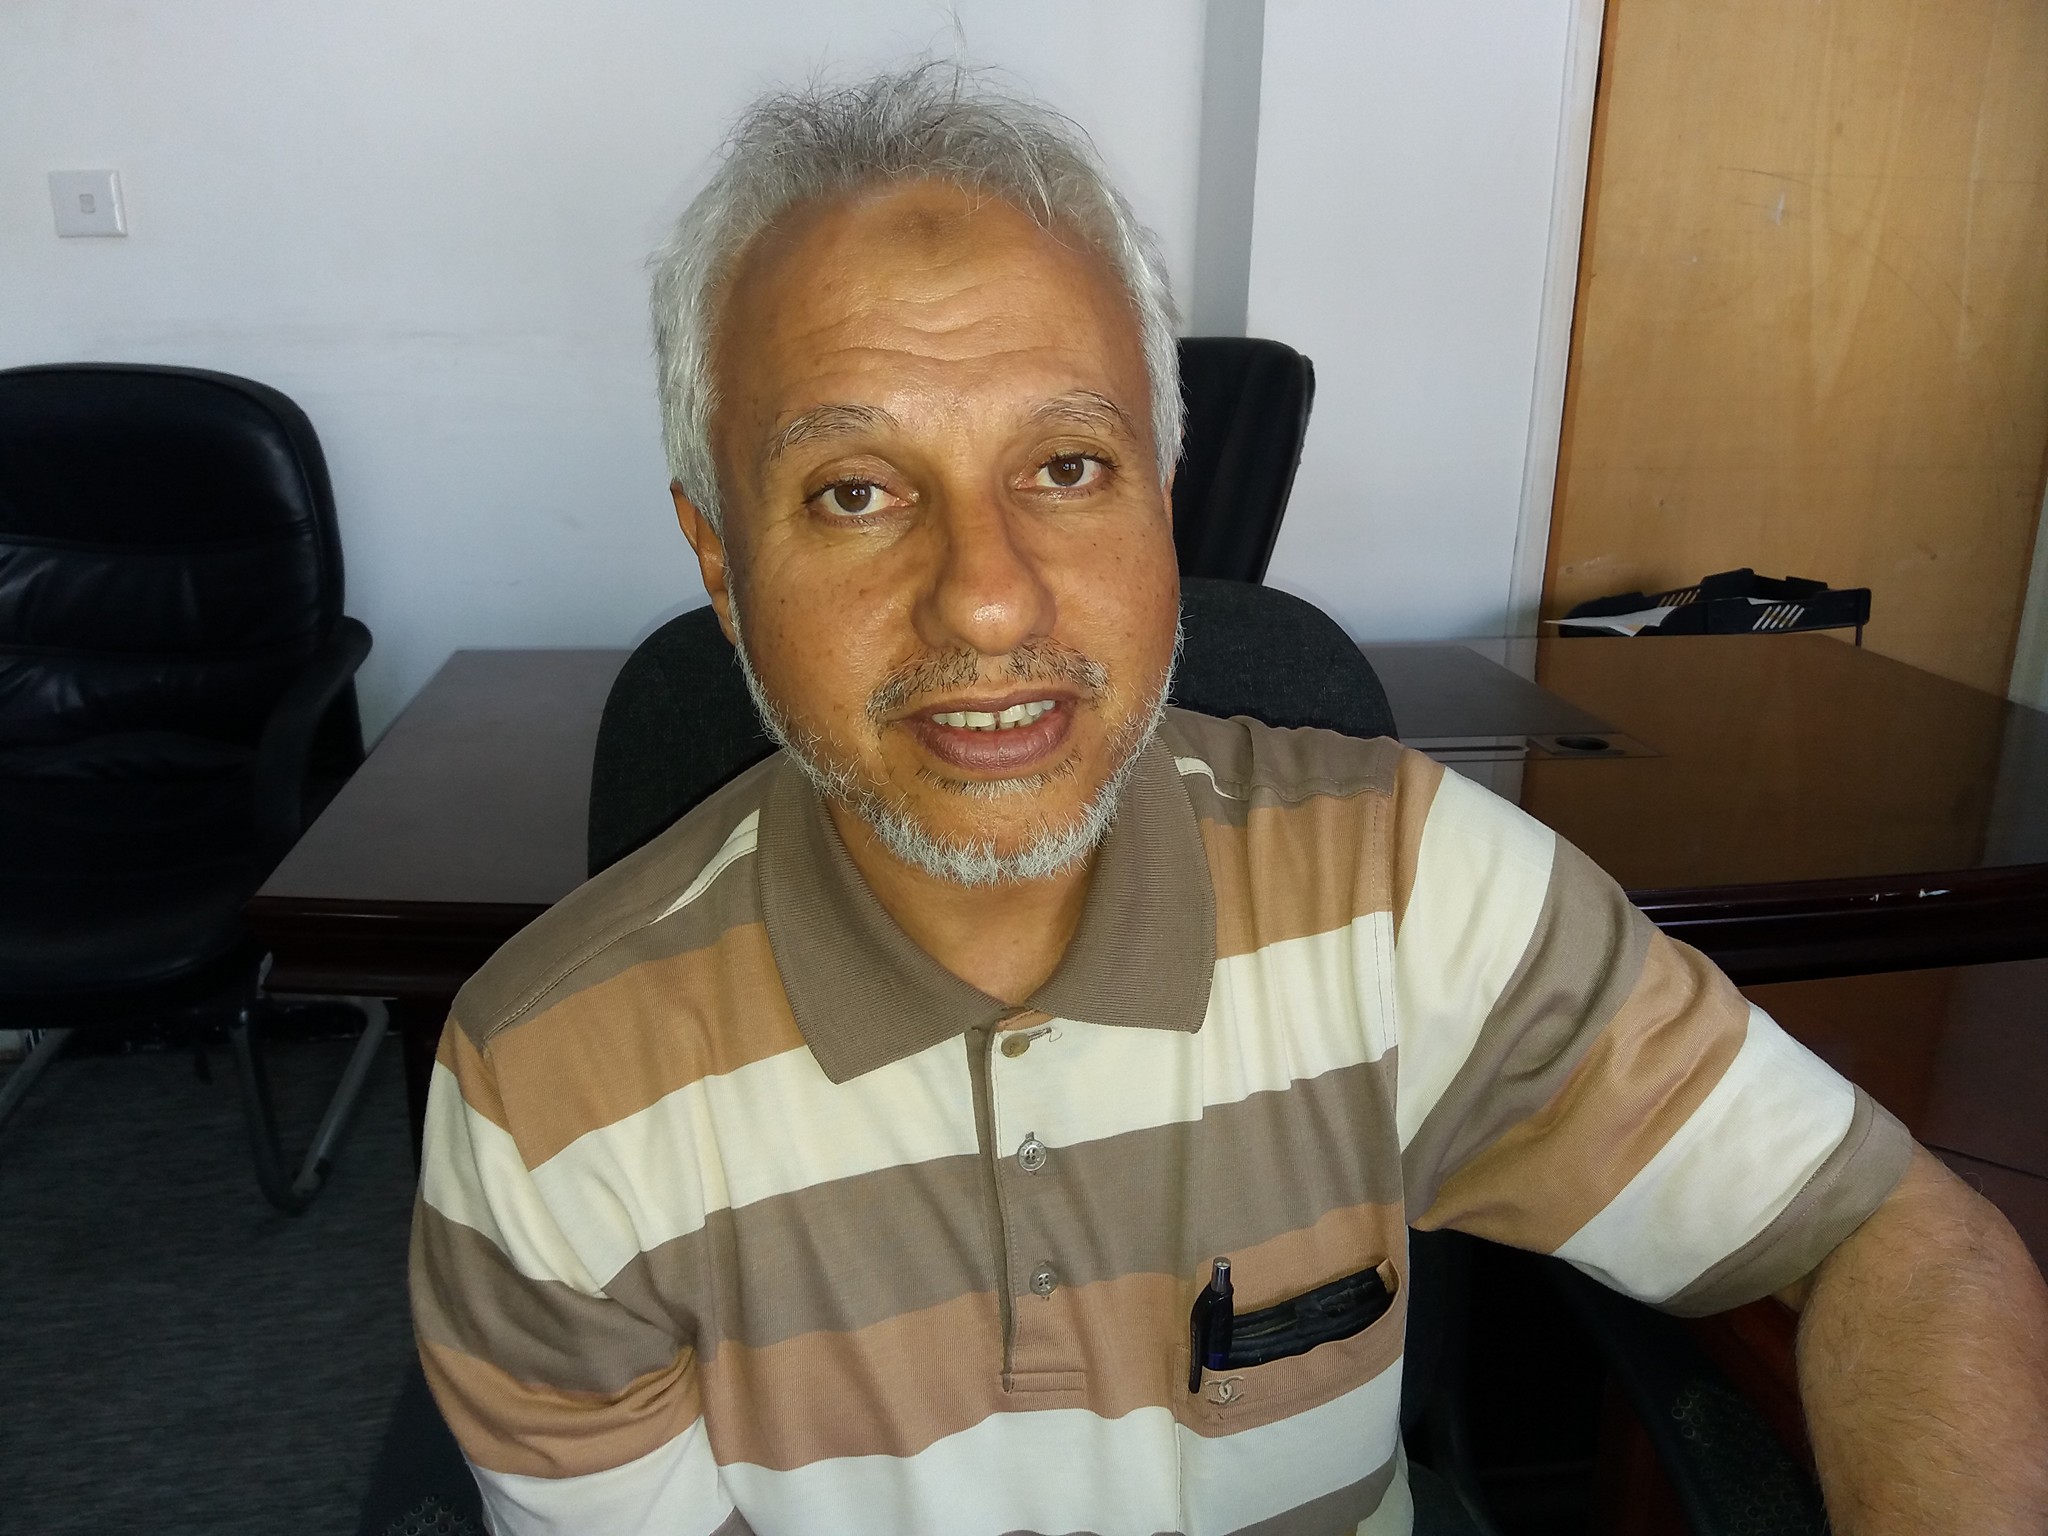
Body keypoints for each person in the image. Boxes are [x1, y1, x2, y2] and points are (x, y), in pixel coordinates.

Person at [410, 63, 2048, 1536]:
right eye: (855, 491)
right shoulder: (547, 1098)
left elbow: (1889, 1234)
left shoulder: (1408, 892)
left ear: (1163, 503)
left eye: (1068, 467)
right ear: (720, 559)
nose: (989, 597)